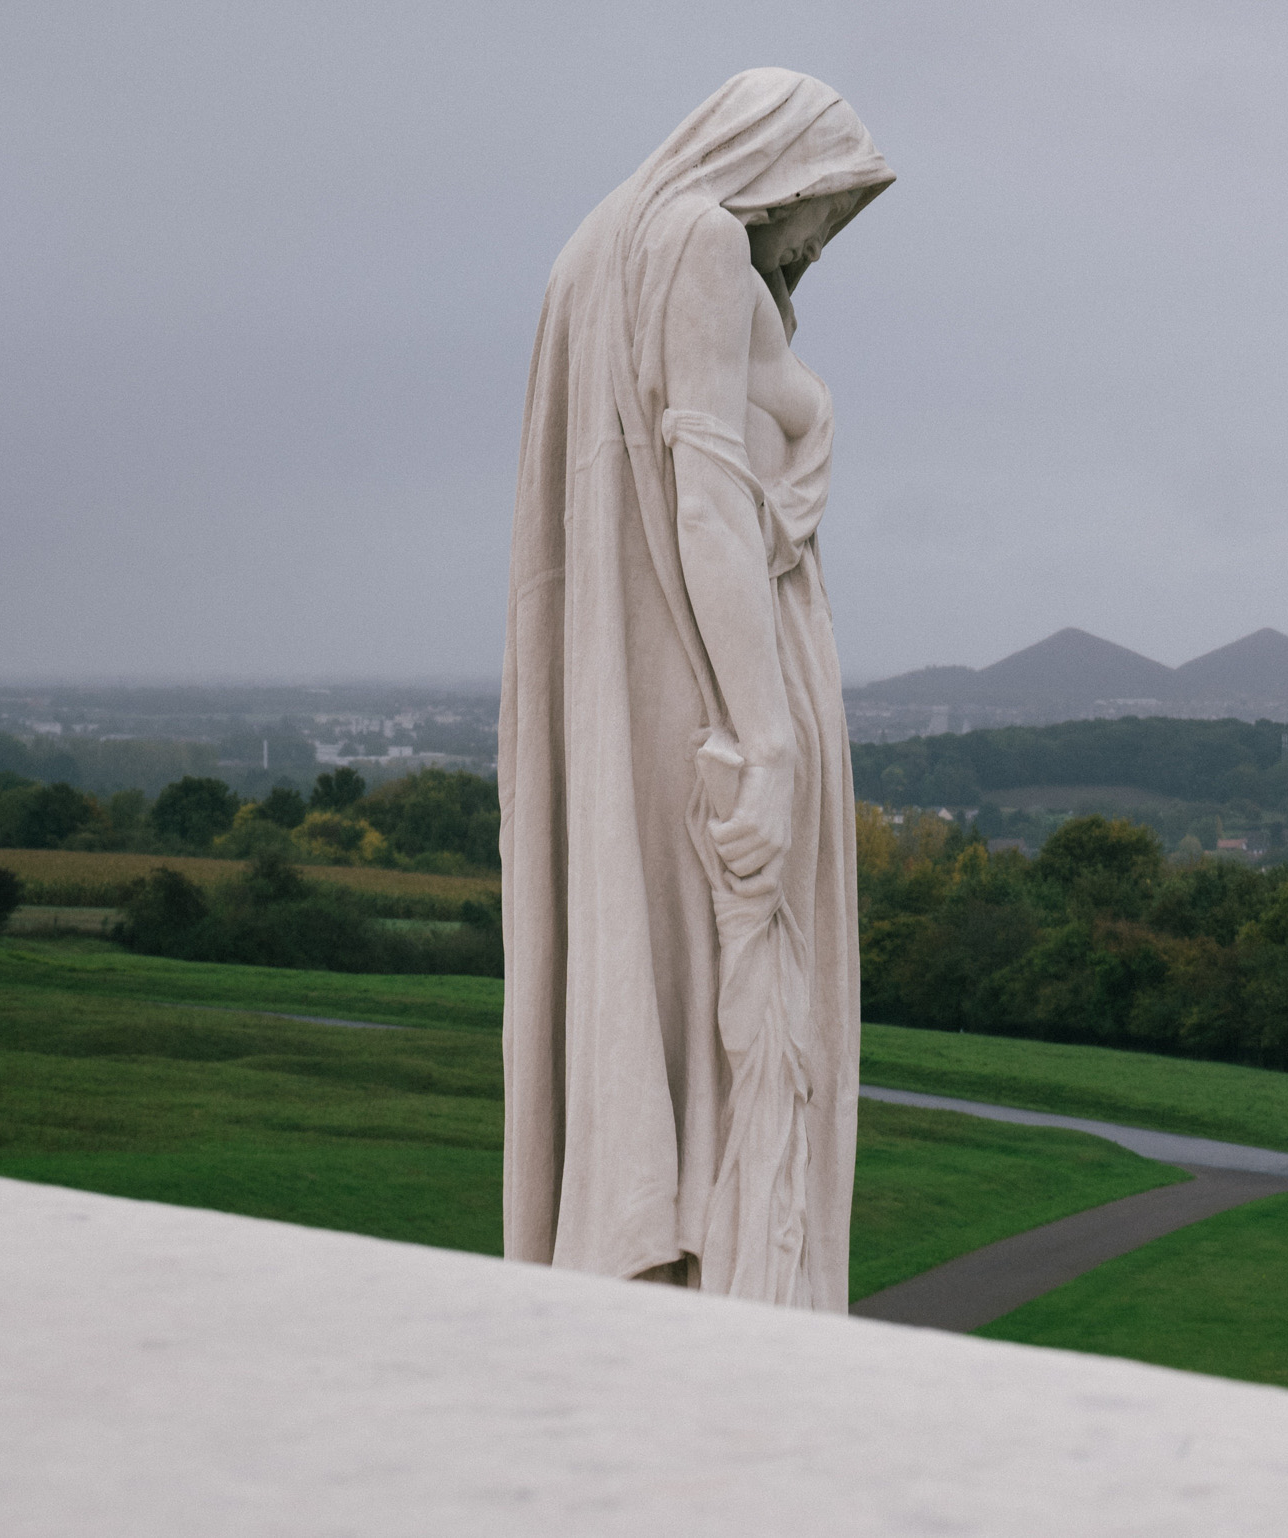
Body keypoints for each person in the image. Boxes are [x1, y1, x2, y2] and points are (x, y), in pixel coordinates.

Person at [500, 70, 893, 1310]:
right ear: (770, 160)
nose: (824, 234)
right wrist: (767, 741)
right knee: (749, 1030)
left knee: (678, 999)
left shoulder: (605, 251)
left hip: (652, 704)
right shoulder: (702, 245)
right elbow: (709, 500)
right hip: (723, 706)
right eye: (826, 201)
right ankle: (736, 1287)